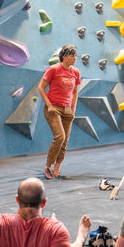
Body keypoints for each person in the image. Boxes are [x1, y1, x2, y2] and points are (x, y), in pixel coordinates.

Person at [39, 44, 80, 179]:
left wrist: (73, 109)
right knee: (60, 137)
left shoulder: (75, 72)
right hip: (54, 108)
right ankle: (48, 167)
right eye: (72, 55)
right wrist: (49, 105)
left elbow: (75, 92)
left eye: (75, 55)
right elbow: (41, 87)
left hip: (68, 109)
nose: (75, 57)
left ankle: (57, 169)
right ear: (64, 56)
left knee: (65, 140)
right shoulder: (54, 69)